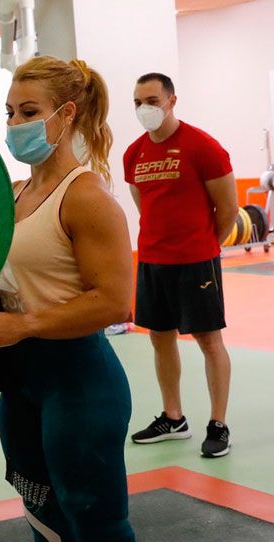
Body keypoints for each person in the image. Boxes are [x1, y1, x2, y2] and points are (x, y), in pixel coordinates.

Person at [0, 57, 152, 542]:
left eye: (29, 112)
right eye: (10, 113)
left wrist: (27, 323)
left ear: (67, 116)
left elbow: (115, 300)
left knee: (102, 526)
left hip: (81, 384)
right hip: (23, 385)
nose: (15, 124)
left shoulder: (87, 197)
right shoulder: (12, 195)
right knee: (43, 514)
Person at [125, 73, 237, 458]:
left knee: (209, 340)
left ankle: (218, 424)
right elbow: (146, 206)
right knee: (159, 337)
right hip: (153, 261)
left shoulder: (203, 147)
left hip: (196, 263)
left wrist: (204, 246)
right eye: (139, 102)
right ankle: (174, 418)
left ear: (172, 101)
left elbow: (229, 209)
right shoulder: (133, 153)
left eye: (153, 100)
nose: (145, 109)